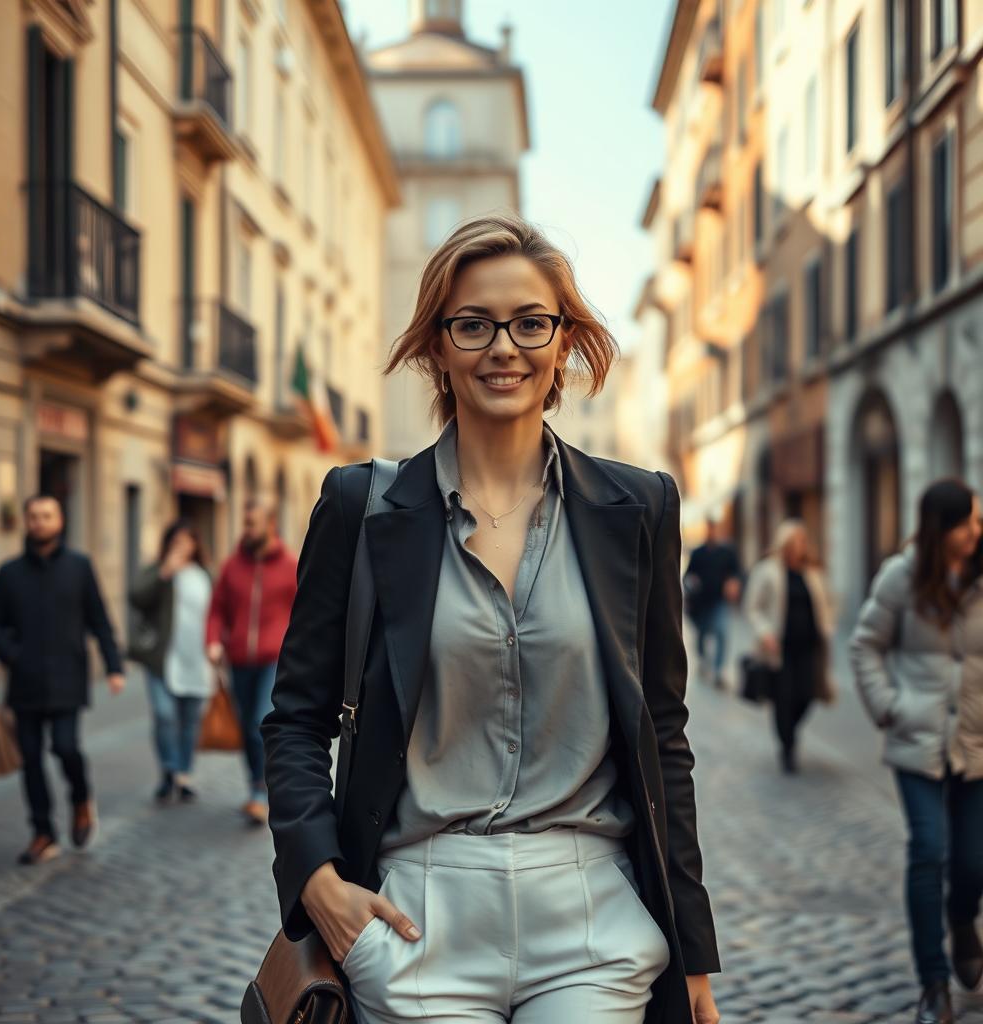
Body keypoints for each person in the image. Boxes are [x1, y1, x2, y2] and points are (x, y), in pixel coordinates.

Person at [262, 214, 720, 1024]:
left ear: (564, 342)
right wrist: (317, 879)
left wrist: (692, 956)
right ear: (438, 346)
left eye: (529, 322)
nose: (503, 347)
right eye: (473, 324)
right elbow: (296, 718)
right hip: (418, 911)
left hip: (590, 914)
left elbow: (663, 733)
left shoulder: (638, 507)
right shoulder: (359, 507)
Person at [850, 479, 983, 1024]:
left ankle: (961, 920)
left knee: (973, 863)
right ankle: (933, 984)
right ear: (940, 528)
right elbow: (865, 646)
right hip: (917, 741)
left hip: (975, 742)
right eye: (968, 522)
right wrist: (891, 707)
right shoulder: (901, 577)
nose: (977, 530)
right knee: (929, 852)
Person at [0, 495, 125, 865]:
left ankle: (80, 798)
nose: (38, 522)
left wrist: (114, 666)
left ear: (60, 521)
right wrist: (11, 654)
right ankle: (42, 832)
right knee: (30, 759)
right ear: (27, 522)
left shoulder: (79, 567)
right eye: (33, 516)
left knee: (65, 748)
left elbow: (99, 619)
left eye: (46, 516)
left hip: (67, 680)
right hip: (25, 684)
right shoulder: (9, 572)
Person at [206, 498, 297, 825]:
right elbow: (217, 608)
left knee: (261, 722)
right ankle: (254, 784)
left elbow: (305, 612)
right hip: (239, 658)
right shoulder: (233, 565)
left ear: (270, 524)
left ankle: (261, 792)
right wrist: (213, 640)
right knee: (246, 726)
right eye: (244, 523)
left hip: (275, 658)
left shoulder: (290, 565)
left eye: (251, 523)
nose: (246, 529)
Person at [129, 520, 212, 804]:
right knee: (165, 715)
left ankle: (183, 774)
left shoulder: (205, 575)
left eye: (187, 541)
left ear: (195, 545)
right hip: (162, 659)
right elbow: (136, 598)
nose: (181, 547)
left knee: (189, 720)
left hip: (196, 659)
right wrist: (164, 573)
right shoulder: (158, 571)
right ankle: (168, 768)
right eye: (176, 541)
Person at [743, 519, 835, 773]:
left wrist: (829, 626)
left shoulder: (813, 572)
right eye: (793, 542)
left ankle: (789, 731)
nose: (798, 547)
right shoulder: (767, 570)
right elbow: (753, 607)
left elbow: (827, 602)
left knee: (807, 696)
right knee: (783, 698)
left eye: (802, 542)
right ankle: (788, 747)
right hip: (779, 649)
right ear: (783, 544)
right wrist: (765, 633)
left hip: (809, 647)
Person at [684, 518, 741, 689]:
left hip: (720, 601)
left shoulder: (727, 552)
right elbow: (688, 576)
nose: (712, 532)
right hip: (701, 603)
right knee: (702, 635)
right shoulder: (698, 553)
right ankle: (703, 660)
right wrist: (691, 582)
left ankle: (718, 672)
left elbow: (736, 573)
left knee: (722, 632)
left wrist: (733, 583)